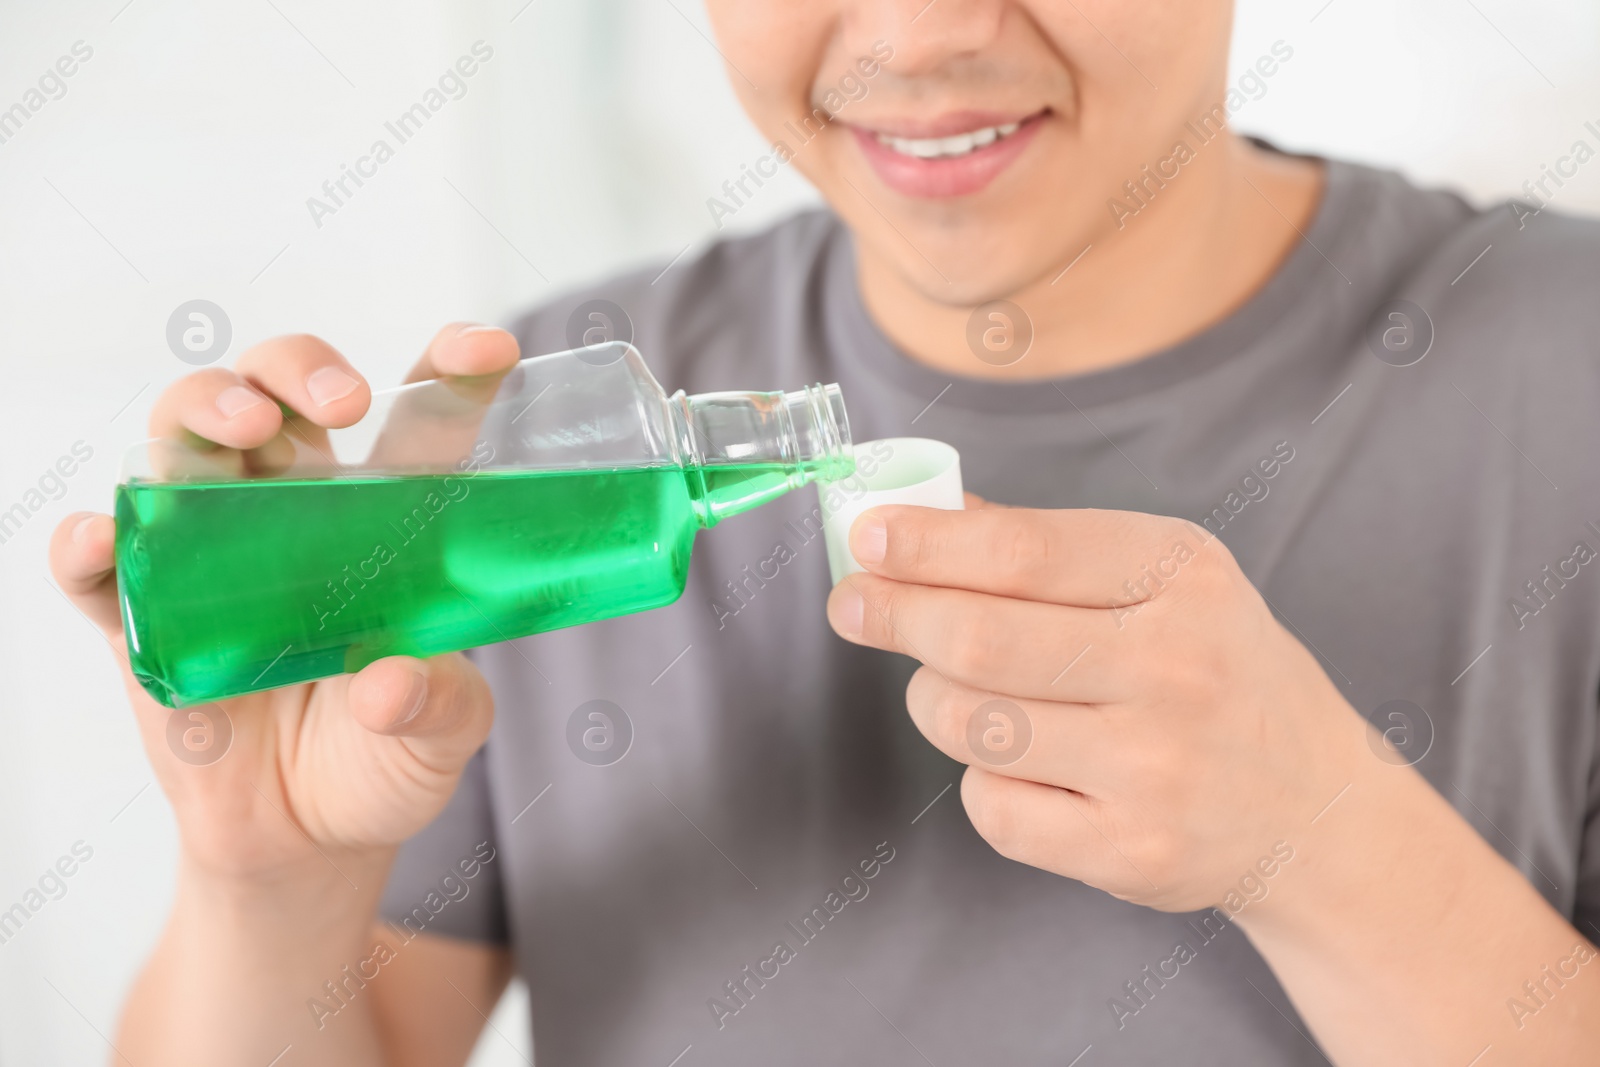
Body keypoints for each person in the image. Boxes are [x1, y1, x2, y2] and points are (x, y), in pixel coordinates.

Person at [48, 2, 1600, 1064]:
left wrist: (1322, 843)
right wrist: (262, 881)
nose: (922, 37)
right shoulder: (520, 450)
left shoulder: (1564, 375)